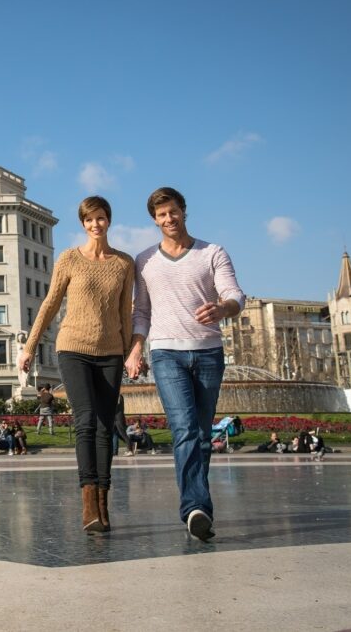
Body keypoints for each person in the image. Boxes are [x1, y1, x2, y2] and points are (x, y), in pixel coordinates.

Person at [125, 187, 244, 542]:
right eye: (161, 215)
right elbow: (141, 311)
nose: (168, 219)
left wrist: (224, 308)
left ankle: (196, 505)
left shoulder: (212, 252)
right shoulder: (144, 260)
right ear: (154, 220)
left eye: (173, 211)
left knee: (204, 434)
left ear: (183, 212)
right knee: (185, 430)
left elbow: (235, 294)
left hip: (208, 352)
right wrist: (135, 349)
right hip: (165, 354)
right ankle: (196, 508)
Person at [17, 195, 135, 533]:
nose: (95, 225)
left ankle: (103, 501)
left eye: (100, 218)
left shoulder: (124, 264)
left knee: (104, 426)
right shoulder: (69, 259)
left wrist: (129, 353)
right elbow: (49, 305)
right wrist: (29, 346)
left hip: (111, 352)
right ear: (83, 224)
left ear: (108, 220)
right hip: (73, 348)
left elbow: (125, 313)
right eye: (88, 220)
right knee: (85, 422)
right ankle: (88, 505)